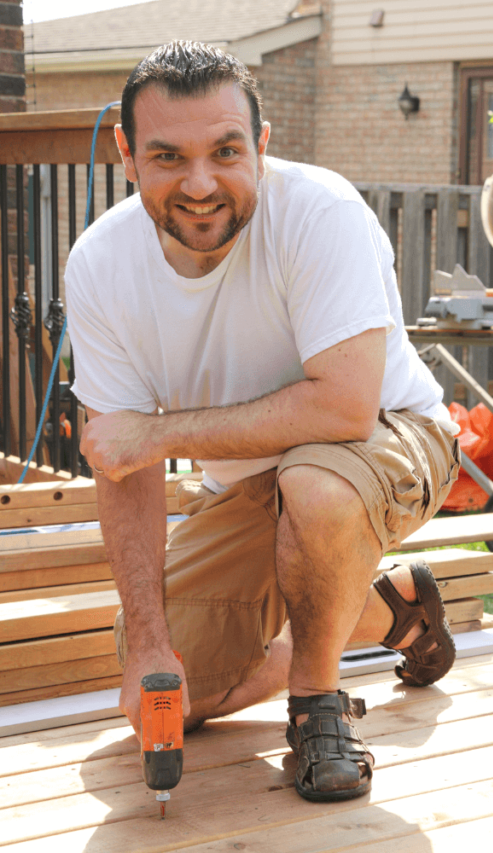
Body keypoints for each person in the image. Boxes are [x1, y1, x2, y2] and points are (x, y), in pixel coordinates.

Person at [65, 40, 461, 803]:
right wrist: (148, 639)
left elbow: (344, 405)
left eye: (225, 151)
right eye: (168, 156)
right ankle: (394, 611)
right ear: (125, 153)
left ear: (263, 144)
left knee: (315, 483)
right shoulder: (100, 265)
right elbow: (122, 463)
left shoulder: (320, 212)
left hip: (388, 436)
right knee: (183, 685)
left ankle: (318, 712)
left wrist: (159, 431)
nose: (201, 182)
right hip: (258, 486)